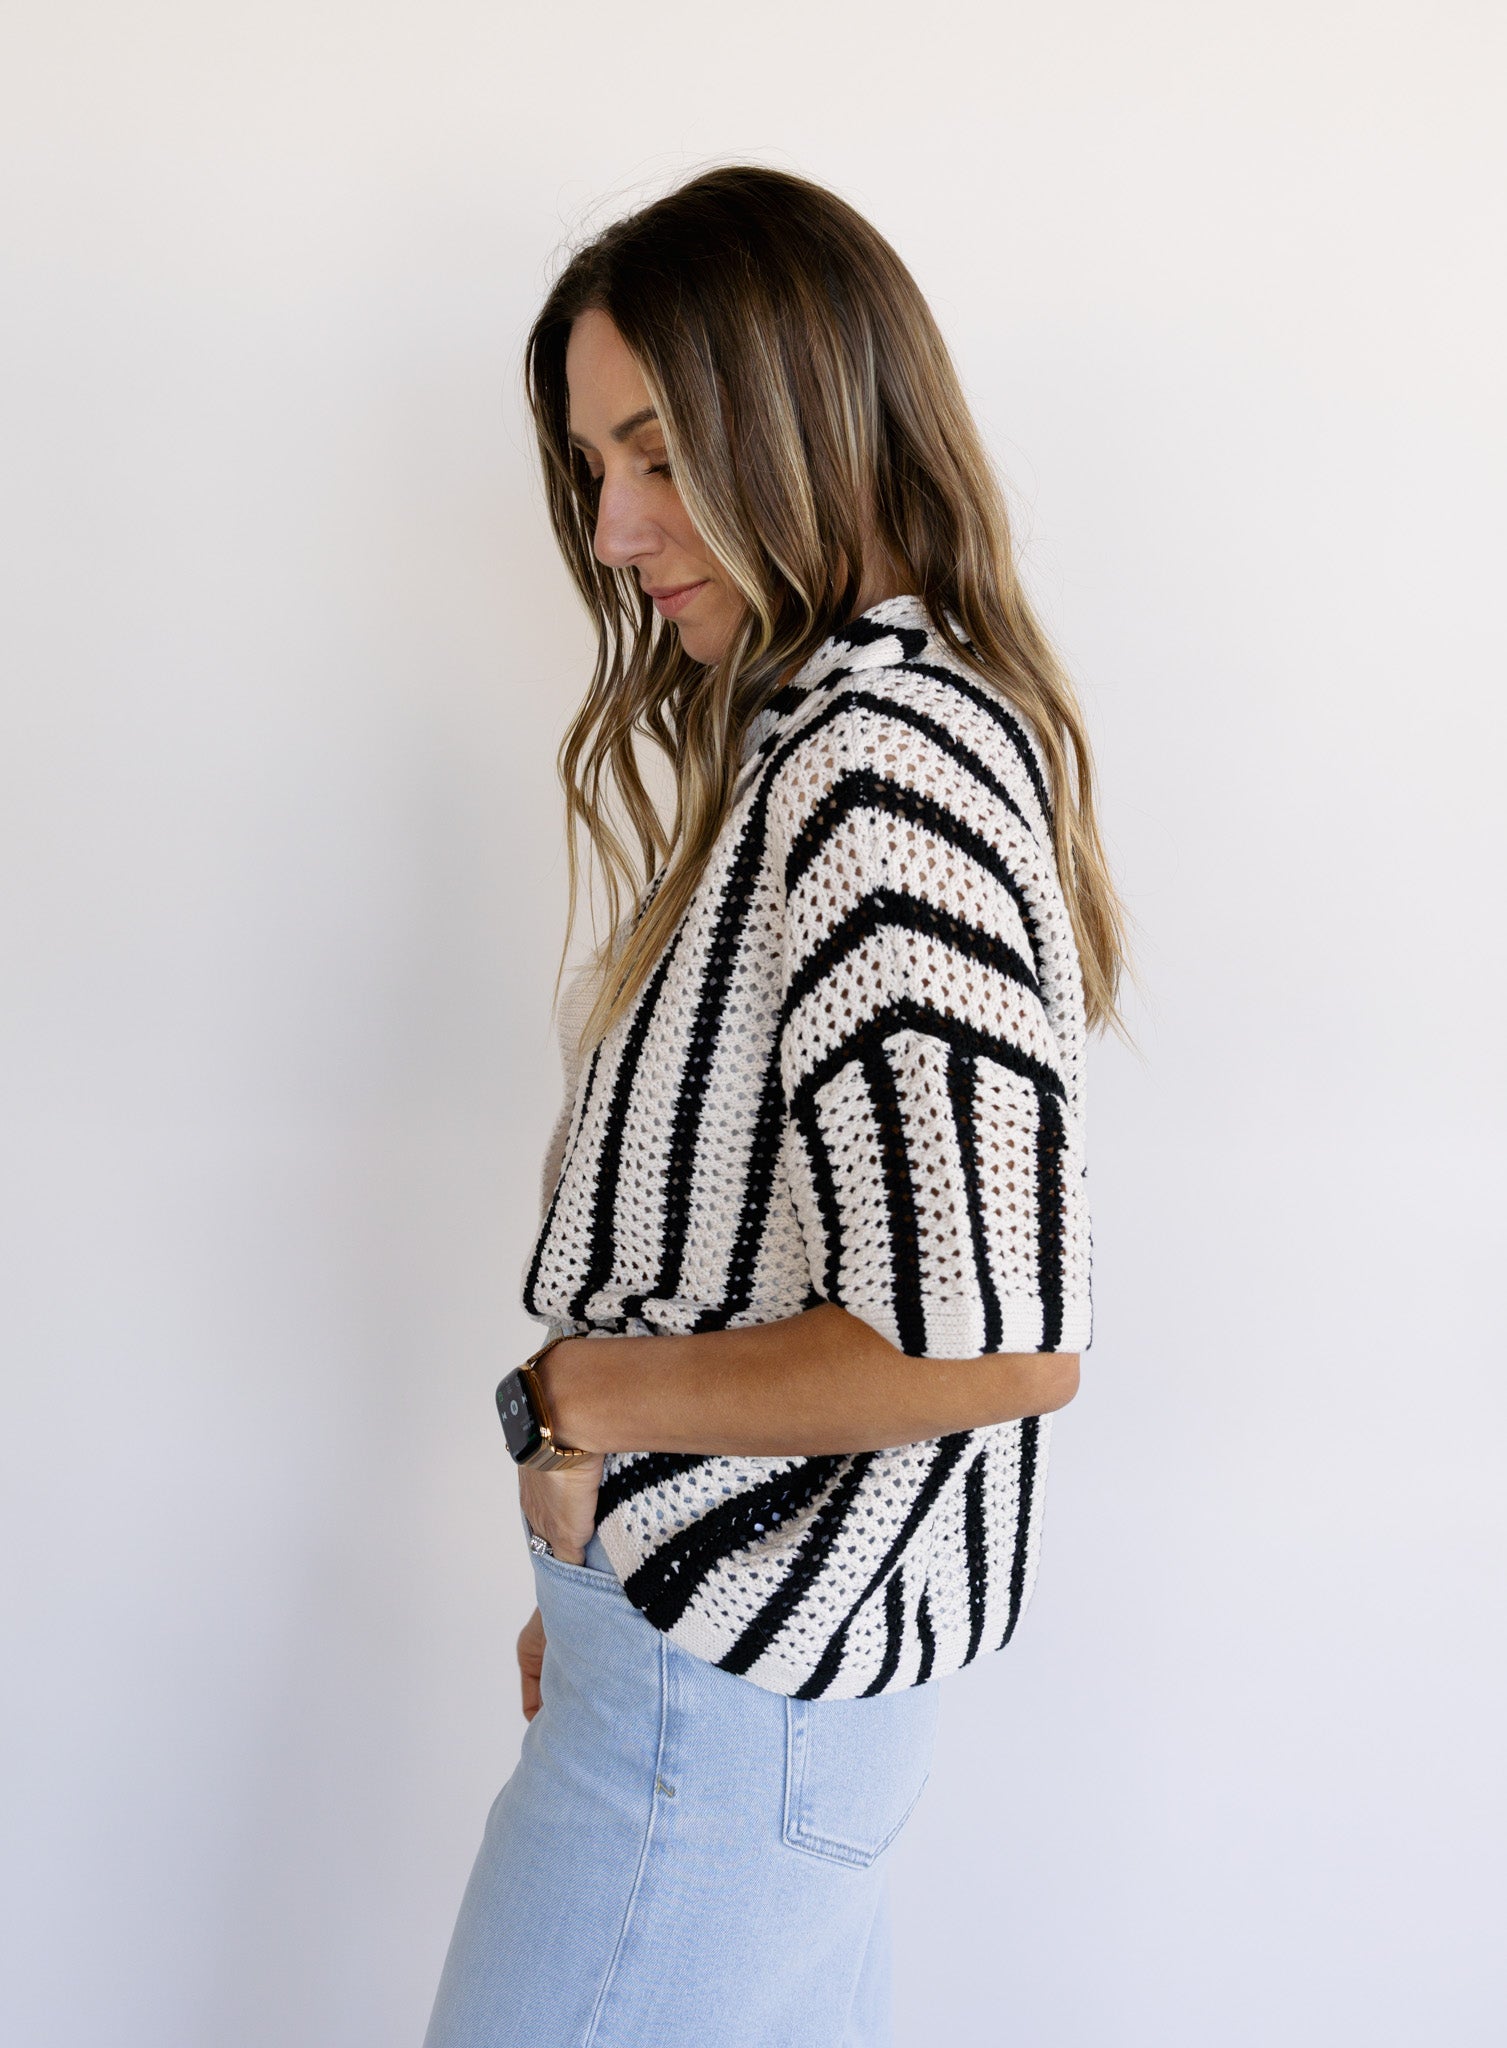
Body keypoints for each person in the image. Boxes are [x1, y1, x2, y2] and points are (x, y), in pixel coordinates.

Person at [422, 164, 1126, 2048]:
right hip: (712, 1692)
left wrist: (578, 1405)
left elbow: (989, 1345)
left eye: (659, 455)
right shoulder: (839, 737)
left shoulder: (877, 770)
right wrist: (608, 1568)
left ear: (805, 417)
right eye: (595, 467)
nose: (614, 529)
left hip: (717, 1721)